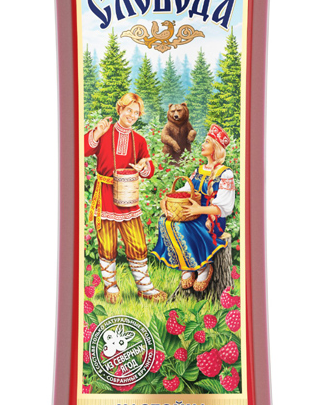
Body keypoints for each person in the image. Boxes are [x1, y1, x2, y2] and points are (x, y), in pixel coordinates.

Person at [84, 92, 167, 304]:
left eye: (136, 113)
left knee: (137, 242)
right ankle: (110, 285)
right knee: (107, 242)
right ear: (120, 109)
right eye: (129, 110)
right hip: (105, 194)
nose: (132, 115)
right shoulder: (104, 133)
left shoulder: (139, 140)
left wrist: (142, 167)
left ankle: (144, 287)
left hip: (128, 197)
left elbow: (149, 168)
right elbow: (83, 149)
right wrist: (96, 133)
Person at [152, 124, 236, 291]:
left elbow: (224, 208)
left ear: (216, 147)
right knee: (164, 221)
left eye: (207, 142)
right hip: (193, 212)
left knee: (182, 226)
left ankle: (203, 267)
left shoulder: (225, 173)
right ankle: (186, 265)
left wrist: (198, 210)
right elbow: (185, 190)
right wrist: (166, 201)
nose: (202, 145)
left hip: (211, 217)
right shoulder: (198, 171)